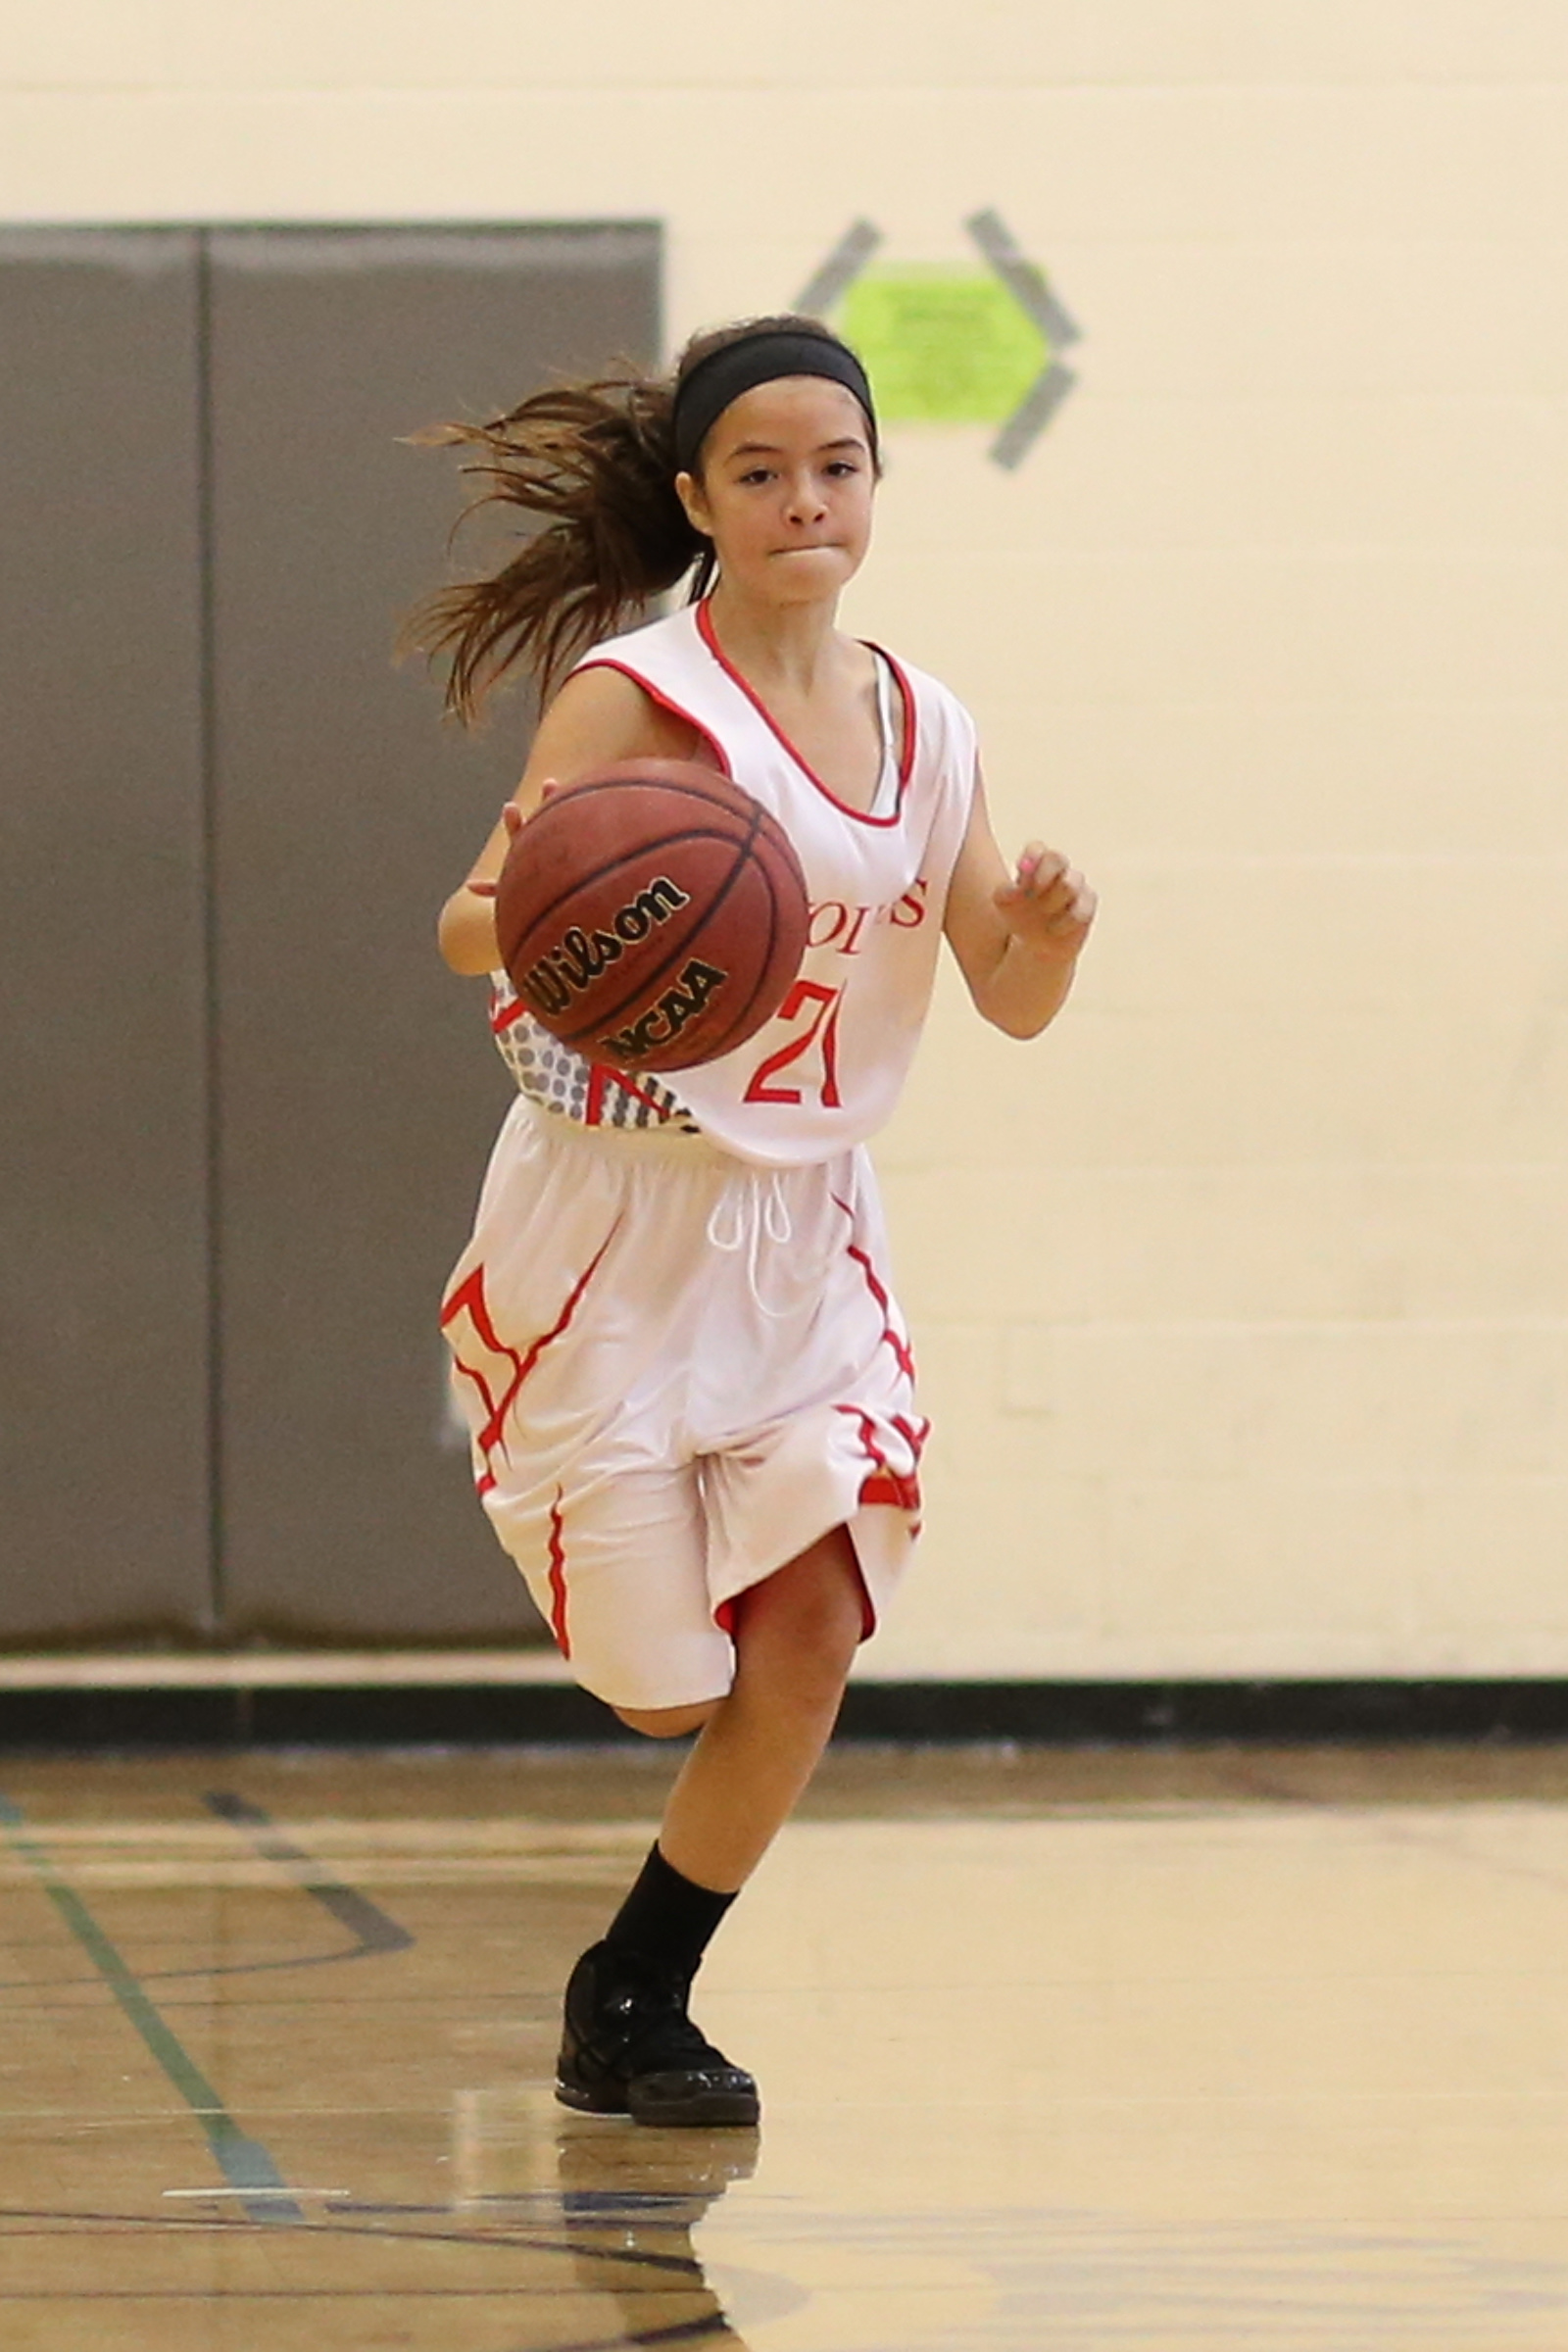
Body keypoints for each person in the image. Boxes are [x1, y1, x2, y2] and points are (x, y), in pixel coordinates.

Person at [418, 315, 1096, 2130]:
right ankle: (595, 1581)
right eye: (764, 471)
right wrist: (574, 886)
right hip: (609, 1231)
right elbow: (469, 927)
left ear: (875, 483)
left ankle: (634, 1993)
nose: (808, 499)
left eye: (839, 466)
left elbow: (1007, 999)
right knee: (668, 1693)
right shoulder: (636, 701)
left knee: (812, 1627)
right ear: (699, 499)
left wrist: (1045, 935)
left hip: (807, 1229)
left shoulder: (931, 726)